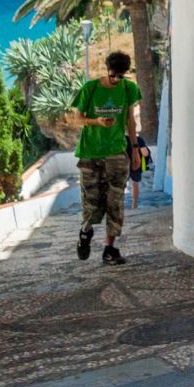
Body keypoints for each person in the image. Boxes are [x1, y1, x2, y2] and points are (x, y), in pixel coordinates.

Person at [70, 51, 141, 265]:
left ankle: (109, 249)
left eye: (121, 76)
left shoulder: (129, 89)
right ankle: (85, 232)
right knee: (91, 203)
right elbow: (78, 118)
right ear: (106, 69)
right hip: (90, 153)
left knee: (116, 202)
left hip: (117, 152)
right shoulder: (90, 88)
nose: (117, 80)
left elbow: (130, 120)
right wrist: (97, 122)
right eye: (113, 75)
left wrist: (135, 149)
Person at [126, 134, 152, 210]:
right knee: (135, 183)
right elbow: (145, 153)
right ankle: (134, 204)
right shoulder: (139, 139)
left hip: (123, 163)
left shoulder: (120, 138)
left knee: (121, 184)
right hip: (135, 163)